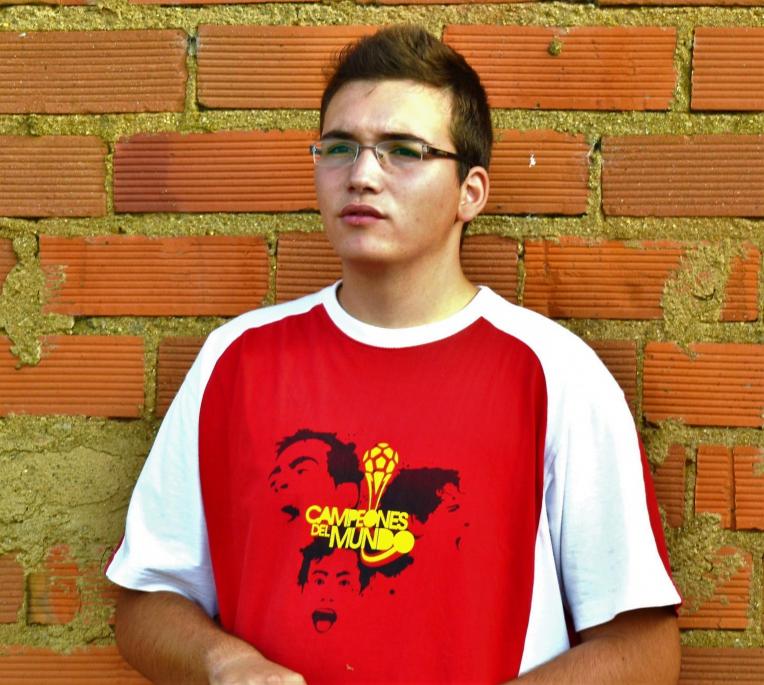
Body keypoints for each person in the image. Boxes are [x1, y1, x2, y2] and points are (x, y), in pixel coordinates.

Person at [107, 25, 682, 684]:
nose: (361, 175)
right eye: (339, 147)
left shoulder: (554, 373)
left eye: (403, 150)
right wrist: (225, 663)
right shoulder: (235, 360)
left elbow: (644, 651)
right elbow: (146, 602)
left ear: (471, 191)